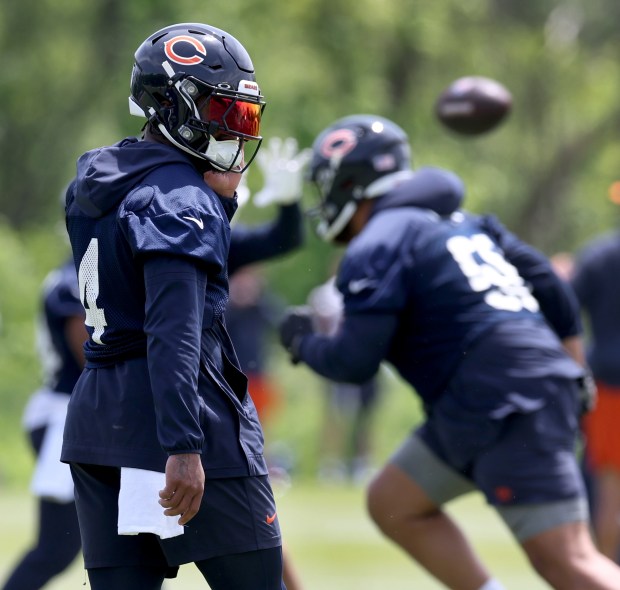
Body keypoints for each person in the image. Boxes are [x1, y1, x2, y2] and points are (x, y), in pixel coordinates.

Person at [278, 114, 620, 590]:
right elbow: (551, 288)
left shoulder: (379, 240)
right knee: (394, 501)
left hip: (501, 399)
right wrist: (572, 367)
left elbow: (354, 362)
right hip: (487, 398)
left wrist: (302, 342)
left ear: (350, 182)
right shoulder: (467, 223)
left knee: (568, 561)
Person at [62, 23, 284, 590]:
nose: (234, 130)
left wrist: (219, 204)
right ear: (174, 107)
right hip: (180, 418)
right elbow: (173, 332)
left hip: (100, 417)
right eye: (224, 112)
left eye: (243, 118)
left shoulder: (98, 179)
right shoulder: (182, 199)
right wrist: (183, 446)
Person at [1, 259, 86, 590]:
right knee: (55, 549)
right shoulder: (75, 281)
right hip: (66, 417)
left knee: (136, 540)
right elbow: (92, 355)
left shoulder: (66, 277)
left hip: (72, 414)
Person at [571, 229, 620, 561]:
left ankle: (606, 575)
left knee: (610, 491)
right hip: (608, 385)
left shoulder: (599, 254)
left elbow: (563, 307)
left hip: (609, 385)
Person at [307, 271, 381, 483]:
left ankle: (361, 462)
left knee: (365, 416)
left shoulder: (370, 287)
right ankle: (331, 463)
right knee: (335, 415)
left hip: (366, 361)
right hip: (336, 361)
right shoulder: (326, 293)